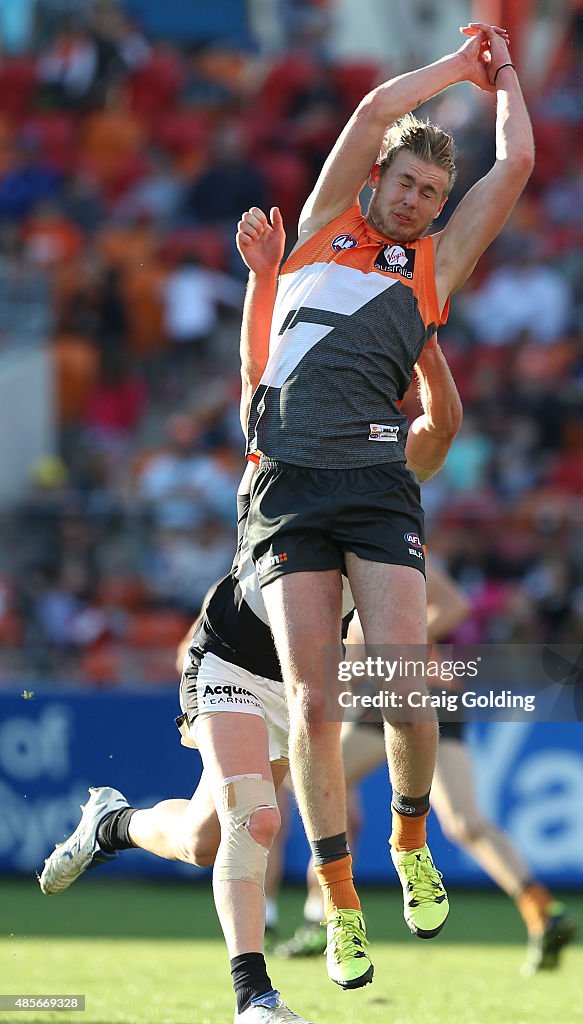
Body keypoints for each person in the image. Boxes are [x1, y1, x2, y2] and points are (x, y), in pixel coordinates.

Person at [38, 202, 463, 1020]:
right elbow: (254, 364)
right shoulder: (278, 439)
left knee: (202, 839)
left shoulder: (384, 486)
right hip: (235, 654)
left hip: (306, 683)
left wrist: (423, 338)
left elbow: (440, 424)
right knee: (255, 818)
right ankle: (253, 998)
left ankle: (112, 825)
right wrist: (263, 279)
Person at [243, 20, 534, 989]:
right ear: (375, 182)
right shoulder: (325, 226)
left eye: (431, 193)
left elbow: (518, 161)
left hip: (374, 481)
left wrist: (503, 80)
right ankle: (342, 907)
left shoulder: (435, 271)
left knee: (404, 686)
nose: (414, 200)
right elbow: (373, 111)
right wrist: (454, 65)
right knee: (316, 704)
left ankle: (413, 843)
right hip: (285, 486)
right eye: (404, 183)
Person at [275, 561, 577, 976]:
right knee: (464, 821)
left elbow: (454, 606)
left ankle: (320, 919)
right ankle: (542, 910)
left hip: (405, 686)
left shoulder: (376, 549)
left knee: (316, 784)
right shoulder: (342, 557)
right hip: (430, 690)